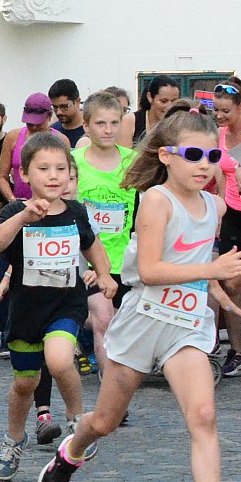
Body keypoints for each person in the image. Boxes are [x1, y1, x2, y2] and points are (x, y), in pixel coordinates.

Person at [39, 108, 241, 482]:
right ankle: (69, 455)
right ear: (167, 156)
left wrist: (216, 284)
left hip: (188, 327)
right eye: (194, 154)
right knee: (105, 422)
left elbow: (193, 258)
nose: (204, 164)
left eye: (212, 155)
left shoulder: (214, 205)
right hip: (144, 320)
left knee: (203, 415)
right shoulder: (157, 199)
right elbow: (154, 271)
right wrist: (213, 268)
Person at [0, 133, 115, 481]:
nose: (53, 175)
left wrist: (104, 274)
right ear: (24, 175)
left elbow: (92, 244)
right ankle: (14, 438)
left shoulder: (75, 212)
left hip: (65, 304)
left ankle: (77, 420)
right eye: (43, 168)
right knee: (25, 383)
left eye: (61, 168)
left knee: (59, 361)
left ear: (71, 175)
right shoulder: (15, 211)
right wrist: (23, 217)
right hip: (26, 311)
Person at [74, 91, 136, 377]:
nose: (109, 130)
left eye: (114, 123)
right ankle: (110, 390)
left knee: (123, 326)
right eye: (101, 123)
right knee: (104, 320)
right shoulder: (73, 162)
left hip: (125, 260)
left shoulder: (133, 162)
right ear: (86, 125)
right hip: (87, 261)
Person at [211, 78, 241, 377]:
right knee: (232, 282)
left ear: (240, 106)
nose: (220, 116)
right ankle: (237, 351)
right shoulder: (219, 134)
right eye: (216, 110)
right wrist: (218, 213)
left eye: (226, 110)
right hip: (231, 212)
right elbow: (220, 176)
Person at [0, 92, 70, 204]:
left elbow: (68, 176)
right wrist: (13, 200)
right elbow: (1, 177)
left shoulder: (62, 140)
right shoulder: (13, 137)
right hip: (21, 204)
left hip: (52, 205)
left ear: (49, 116)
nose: (34, 127)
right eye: (30, 123)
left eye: (38, 123)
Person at [127, 75, 183, 146]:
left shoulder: (180, 124)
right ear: (150, 97)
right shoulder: (131, 121)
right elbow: (124, 155)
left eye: (174, 101)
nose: (169, 107)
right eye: (163, 101)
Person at [49, 79, 86, 147]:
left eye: (64, 106)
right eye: (55, 107)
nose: (58, 112)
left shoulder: (91, 129)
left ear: (77, 102)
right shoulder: (52, 132)